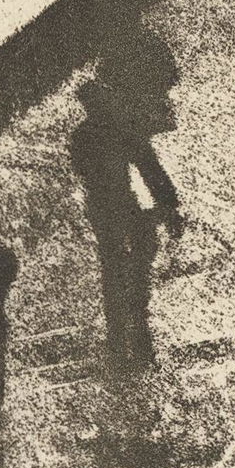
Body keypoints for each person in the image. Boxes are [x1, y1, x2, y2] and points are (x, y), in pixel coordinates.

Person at [69, 29, 185, 401]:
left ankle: (122, 343)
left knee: (116, 272)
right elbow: (150, 169)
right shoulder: (118, 131)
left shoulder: (86, 135)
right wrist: (168, 208)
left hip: (107, 212)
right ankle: (136, 341)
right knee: (133, 274)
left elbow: (97, 172)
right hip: (124, 211)